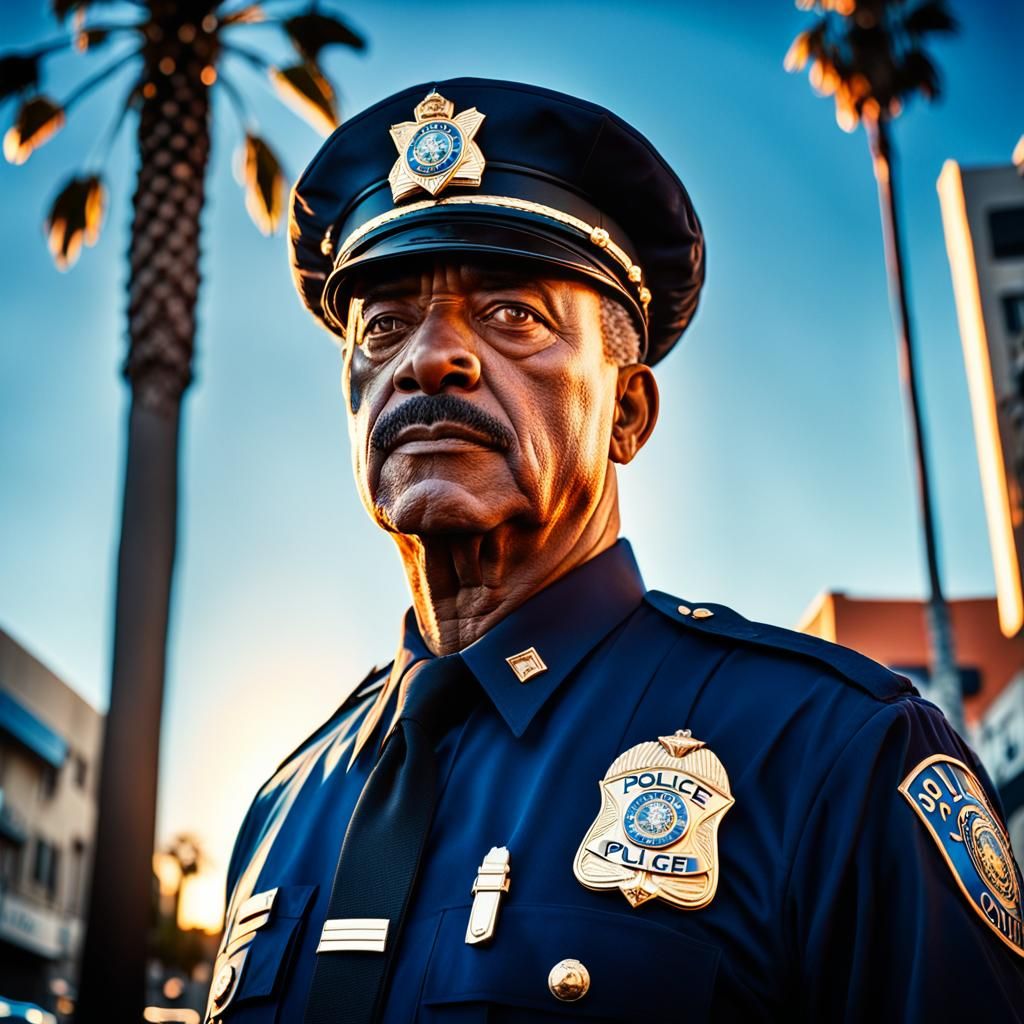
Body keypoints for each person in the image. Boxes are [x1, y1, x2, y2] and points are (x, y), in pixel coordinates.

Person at [204, 78, 1024, 1023]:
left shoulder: (832, 755)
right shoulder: (281, 809)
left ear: (626, 412)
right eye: (383, 326)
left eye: (513, 315)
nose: (429, 358)